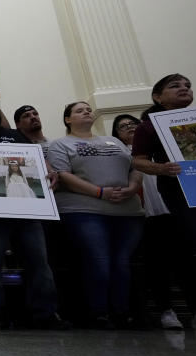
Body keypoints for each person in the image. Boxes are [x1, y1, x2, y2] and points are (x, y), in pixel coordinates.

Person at [0, 93, 63, 329]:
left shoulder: (15, 135)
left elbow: (37, 161)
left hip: (27, 210)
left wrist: (50, 171)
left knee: (40, 263)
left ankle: (44, 313)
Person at [49, 102, 143, 328]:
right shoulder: (61, 144)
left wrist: (131, 188)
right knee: (98, 260)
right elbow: (63, 175)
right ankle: (99, 312)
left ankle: (121, 312)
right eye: (79, 110)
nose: (87, 112)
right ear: (67, 119)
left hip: (127, 210)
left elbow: (135, 167)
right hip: (85, 210)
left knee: (122, 263)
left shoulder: (115, 142)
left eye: (88, 109)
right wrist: (100, 192)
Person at [132, 74, 196, 329]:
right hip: (180, 191)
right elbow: (138, 160)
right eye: (175, 86)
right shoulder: (148, 126)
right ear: (157, 97)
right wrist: (162, 168)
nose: (184, 89)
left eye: (187, 86)